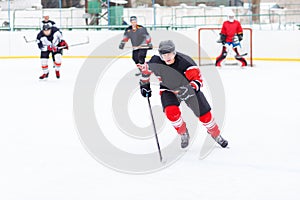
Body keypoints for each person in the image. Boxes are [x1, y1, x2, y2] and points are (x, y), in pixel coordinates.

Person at [137, 40, 228, 149]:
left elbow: (198, 80)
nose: (167, 57)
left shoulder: (186, 62)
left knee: (205, 115)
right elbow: (145, 72)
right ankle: (183, 132)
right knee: (171, 112)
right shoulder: (155, 62)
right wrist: (144, 85)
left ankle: (215, 134)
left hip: (188, 89)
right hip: (168, 89)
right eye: (164, 55)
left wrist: (188, 89)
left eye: (169, 54)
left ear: (174, 52)